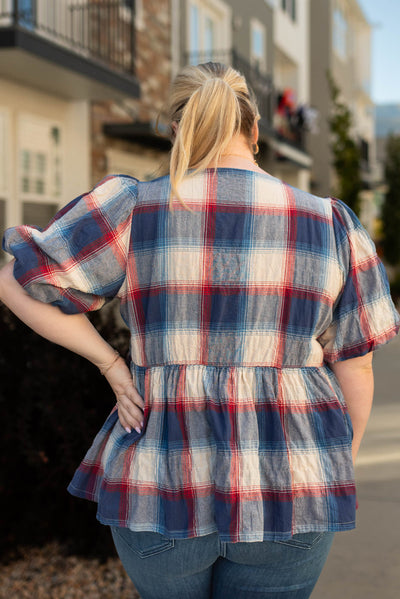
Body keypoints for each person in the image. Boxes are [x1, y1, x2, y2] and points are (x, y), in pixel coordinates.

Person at [0, 62, 399, 599]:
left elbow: (15, 280)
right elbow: (358, 361)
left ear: (178, 131)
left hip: (160, 482)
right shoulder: (330, 223)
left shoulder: (134, 206)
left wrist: (111, 364)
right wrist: (336, 460)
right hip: (294, 484)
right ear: (255, 132)